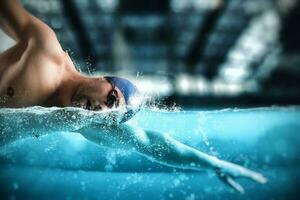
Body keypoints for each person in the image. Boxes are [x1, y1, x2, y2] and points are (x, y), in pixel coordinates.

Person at [0, 0, 267, 193]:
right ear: (104, 79)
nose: (103, 110)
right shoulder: (45, 49)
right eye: (112, 99)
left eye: (111, 114)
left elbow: (151, 143)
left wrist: (215, 165)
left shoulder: (86, 121)